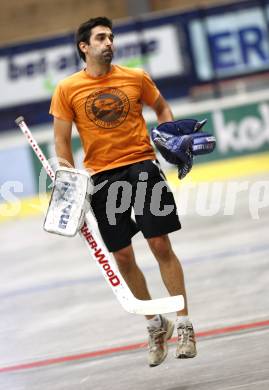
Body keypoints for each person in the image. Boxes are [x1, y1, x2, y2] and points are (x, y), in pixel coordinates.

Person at [49, 16, 197, 367]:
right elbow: (61, 140)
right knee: (123, 258)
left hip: (142, 165)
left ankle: (185, 323)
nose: (109, 42)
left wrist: (170, 131)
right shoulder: (68, 88)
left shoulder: (136, 77)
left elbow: (161, 107)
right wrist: (67, 176)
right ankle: (154, 322)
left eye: (111, 37)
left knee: (160, 244)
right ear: (84, 47)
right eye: (101, 38)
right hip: (102, 177)